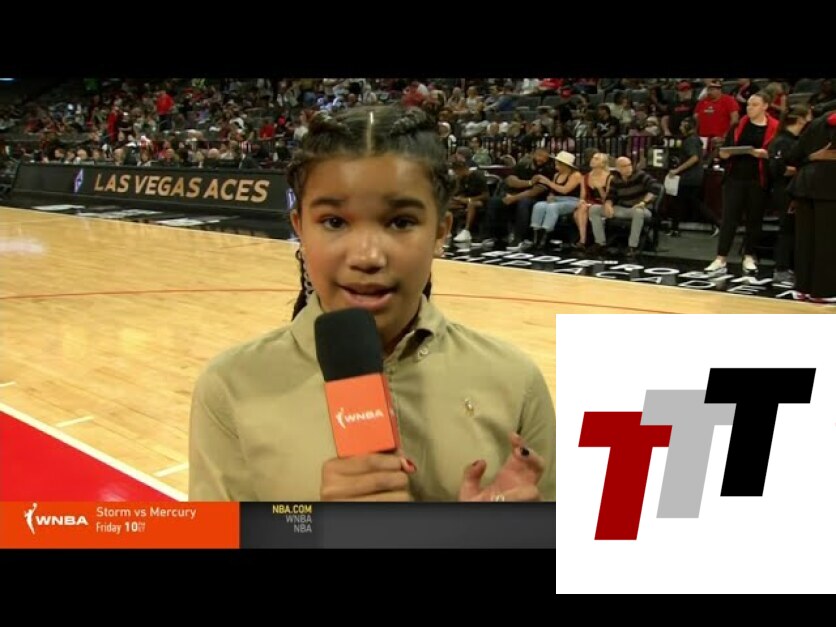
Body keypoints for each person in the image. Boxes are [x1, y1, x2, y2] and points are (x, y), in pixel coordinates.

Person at [189, 106, 556, 502]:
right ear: (299, 228)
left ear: (440, 231)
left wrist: (506, 532)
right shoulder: (229, 387)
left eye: (400, 222)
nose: (367, 256)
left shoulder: (515, 380)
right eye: (334, 222)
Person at [705, 92, 779, 274]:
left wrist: (764, 154)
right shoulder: (738, 125)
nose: (750, 108)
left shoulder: (775, 128)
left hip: (758, 179)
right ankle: (721, 257)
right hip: (735, 177)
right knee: (729, 218)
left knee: (754, 219)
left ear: (765, 106)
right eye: (748, 105)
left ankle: (749, 256)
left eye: (754, 105)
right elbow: (726, 148)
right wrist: (724, 153)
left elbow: (777, 153)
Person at [786, 109, 836, 301]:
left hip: (804, 186)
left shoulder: (816, 123)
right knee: (827, 241)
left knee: (805, 240)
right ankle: (824, 291)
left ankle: (802, 288)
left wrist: (812, 158)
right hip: (829, 188)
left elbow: (793, 156)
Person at [767, 105, 812, 286]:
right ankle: (781, 269)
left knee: (794, 229)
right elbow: (778, 169)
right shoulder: (782, 141)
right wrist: (801, 170)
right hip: (784, 190)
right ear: (800, 119)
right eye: (808, 116)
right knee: (786, 229)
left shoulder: (798, 140)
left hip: (797, 189)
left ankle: (793, 266)